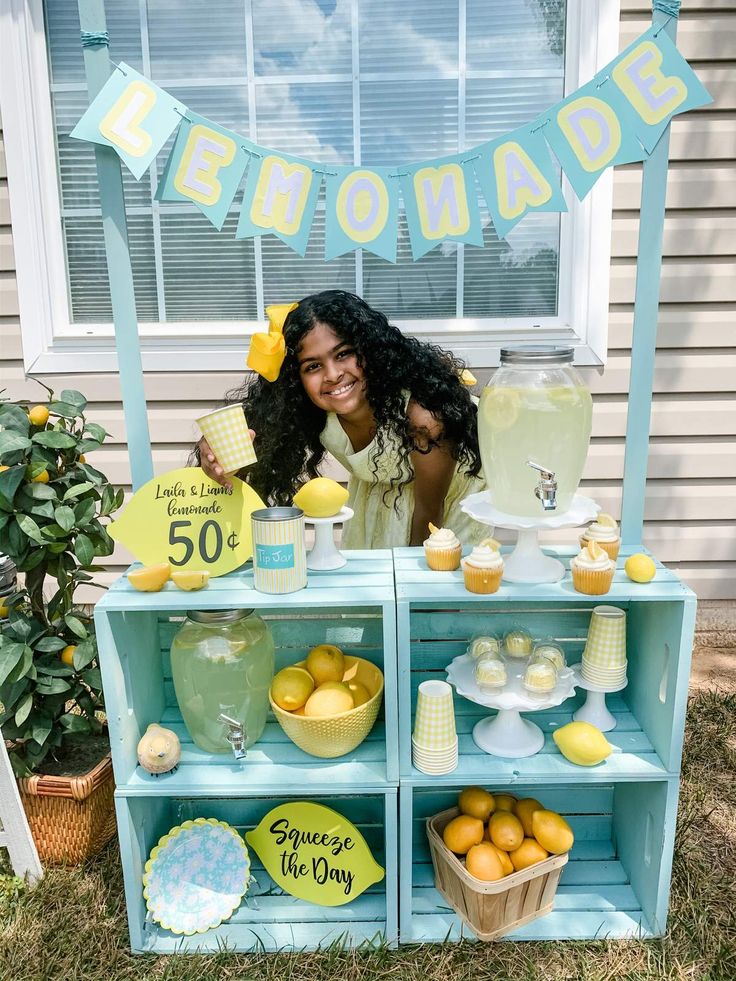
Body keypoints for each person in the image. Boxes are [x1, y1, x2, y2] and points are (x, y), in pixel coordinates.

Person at [198, 290, 487, 548]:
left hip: (444, 500)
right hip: (384, 489)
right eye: (313, 366)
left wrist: (412, 593)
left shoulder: (424, 417)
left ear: (370, 351)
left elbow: (429, 515)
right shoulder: (310, 408)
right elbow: (236, 435)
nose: (333, 374)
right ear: (295, 379)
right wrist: (212, 452)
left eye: (344, 354)